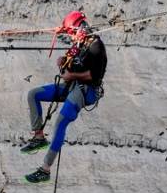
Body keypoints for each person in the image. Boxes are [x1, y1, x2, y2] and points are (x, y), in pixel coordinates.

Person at [21, 10, 107, 183]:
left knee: (61, 121)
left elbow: (94, 76)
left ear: (77, 28)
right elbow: (67, 70)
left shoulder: (95, 45)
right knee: (33, 94)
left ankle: (45, 169)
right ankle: (38, 136)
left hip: (86, 90)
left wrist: (71, 76)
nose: (71, 36)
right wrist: (62, 63)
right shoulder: (79, 45)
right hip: (72, 85)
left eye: (71, 32)